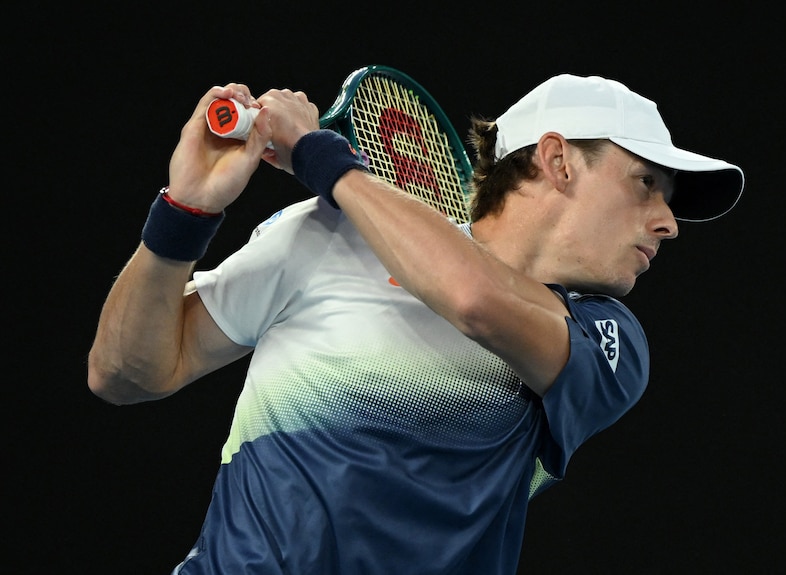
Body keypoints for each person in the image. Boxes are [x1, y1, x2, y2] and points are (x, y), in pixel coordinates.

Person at [88, 73, 744, 574]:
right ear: (558, 159)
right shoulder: (322, 235)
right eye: (646, 182)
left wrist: (321, 155)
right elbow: (125, 372)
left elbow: (472, 297)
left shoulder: (610, 342)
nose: (668, 221)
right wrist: (184, 214)